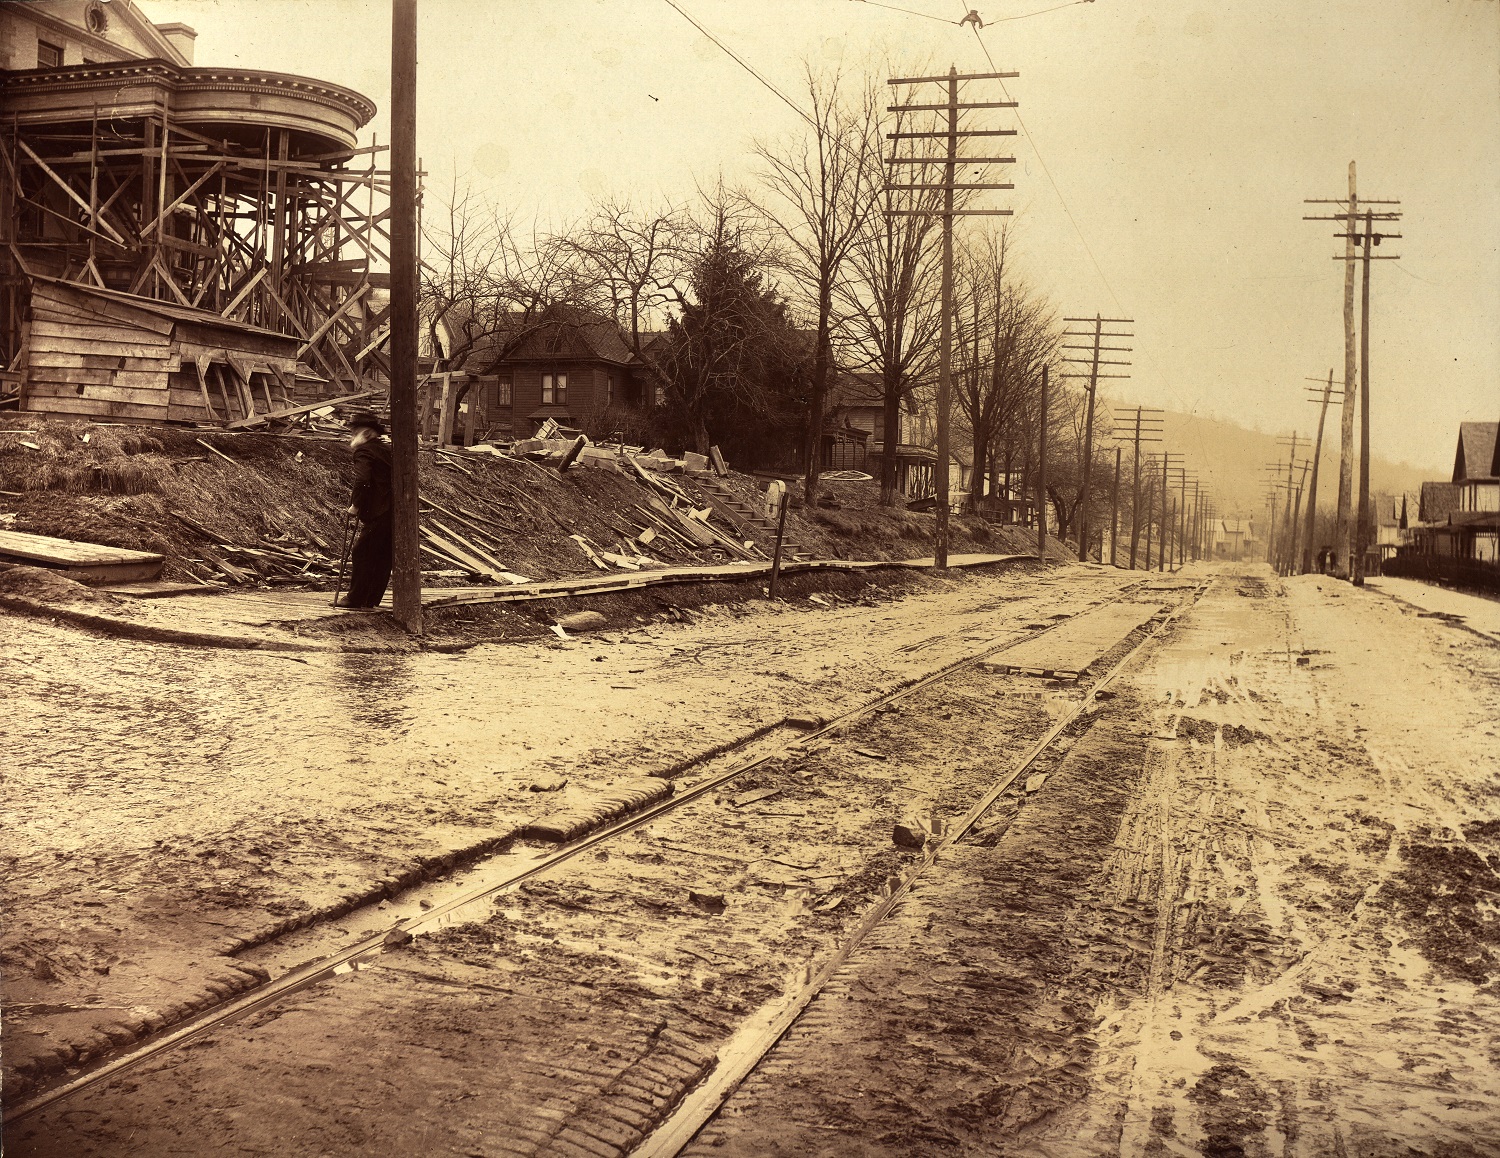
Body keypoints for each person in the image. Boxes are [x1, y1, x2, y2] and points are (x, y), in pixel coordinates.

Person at [338, 411, 393, 608]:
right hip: (394, 512)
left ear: (368, 434)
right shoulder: (387, 450)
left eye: (355, 433)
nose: (352, 437)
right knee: (383, 556)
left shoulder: (364, 451)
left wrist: (355, 505)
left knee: (362, 552)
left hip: (378, 511)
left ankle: (355, 599)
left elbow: (362, 480)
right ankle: (371, 599)